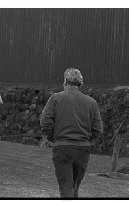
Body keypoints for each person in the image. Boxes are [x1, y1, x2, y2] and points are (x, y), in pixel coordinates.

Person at [39, 68, 103, 198]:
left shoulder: (56, 99)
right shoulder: (91, 102)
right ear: (80, 84)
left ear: (65, 82)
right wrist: (87, 140)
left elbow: (45, 122)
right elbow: (98, 129)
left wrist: (53, 138)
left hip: (62, 147)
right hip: (83, 148)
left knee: (66, 187)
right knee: (74, 187)